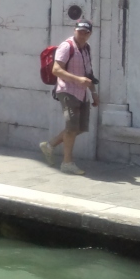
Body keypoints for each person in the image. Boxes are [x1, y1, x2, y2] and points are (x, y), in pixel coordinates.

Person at [40, 20, 97, 175]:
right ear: (74, 30)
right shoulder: (66, 46)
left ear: (90, 34)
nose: (82, 34)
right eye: (79, 31)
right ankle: (67, 163)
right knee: (72, 128)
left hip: (82, 92)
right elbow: (56, 70)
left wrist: (94, 93)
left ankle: (49, 146)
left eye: (85, 32)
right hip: (67, 91)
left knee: (80, 128)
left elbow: (89, 73)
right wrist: (78, 79)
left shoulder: (87, 48)